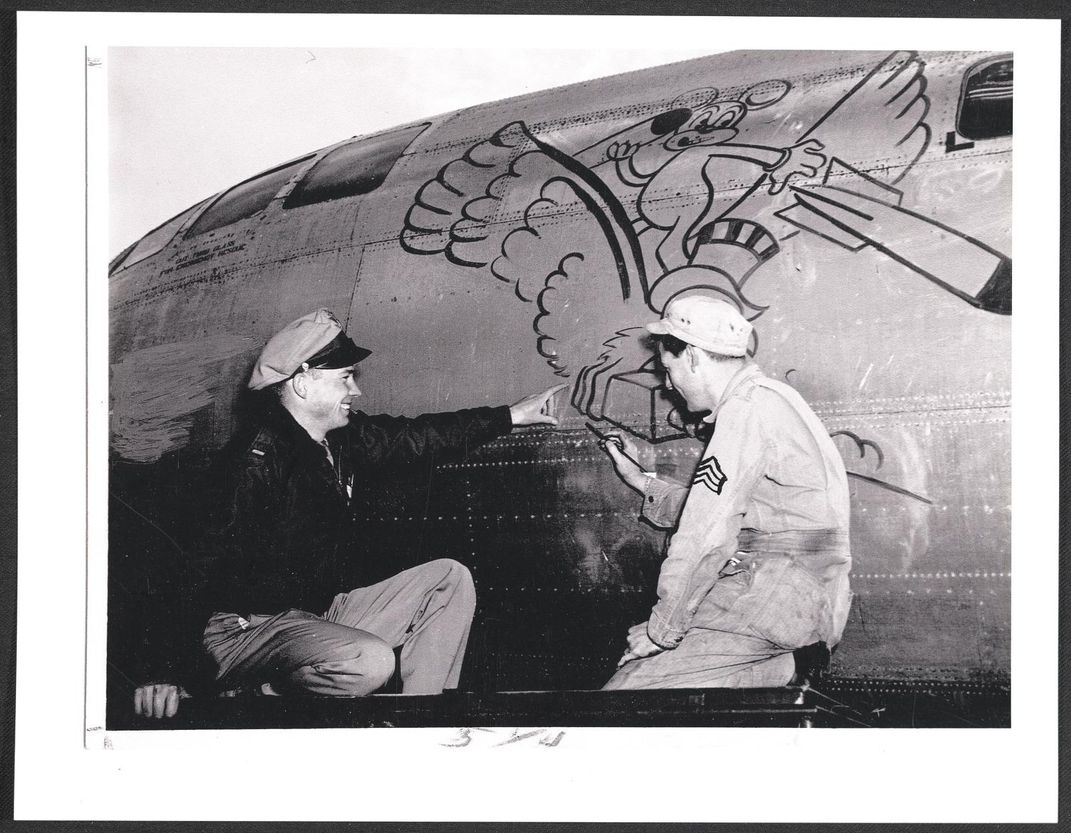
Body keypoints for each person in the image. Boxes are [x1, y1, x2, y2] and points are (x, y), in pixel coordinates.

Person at [134, 309, 564, 718]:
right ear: (303, 384)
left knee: (448, 580)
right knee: (369, 662)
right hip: (243, 631)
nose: (355, 390)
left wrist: (511, 416)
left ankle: (419, 721)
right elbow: (189, 569)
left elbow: (419, 437)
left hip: (311, 618)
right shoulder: (253, 463)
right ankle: (267, 689)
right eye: (344, 378)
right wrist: (163, 671)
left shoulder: (337, 439)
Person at [596, 294, 852, 689]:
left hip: (770, 591)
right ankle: (789, 667)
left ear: (694, 356)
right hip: (811, 597)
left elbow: (707, 531)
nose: (668, 384)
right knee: (704, 689)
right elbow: (745, 509)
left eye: (669, 367)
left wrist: (661, 630)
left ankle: (787, 664)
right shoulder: (772, 399)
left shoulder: (744, 410)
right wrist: (642, 481)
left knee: (627, 696)